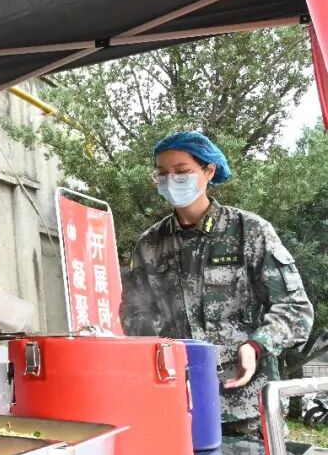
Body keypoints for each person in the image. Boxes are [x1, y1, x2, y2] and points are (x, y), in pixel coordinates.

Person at [120, 131, 314, 436]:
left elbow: (295, 307)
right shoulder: (150, 244)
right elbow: (134, 312)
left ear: (208, 171)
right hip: (178, 405)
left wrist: (257, 345)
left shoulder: (249, 231)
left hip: (248, 407)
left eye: (182, 171)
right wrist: (158, 353)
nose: (171, 180)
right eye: (162, 173)